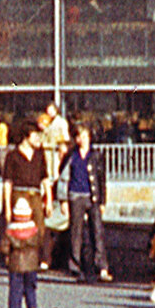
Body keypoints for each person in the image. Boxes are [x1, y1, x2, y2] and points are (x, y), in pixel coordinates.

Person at [61, 119, 111, 281]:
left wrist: (102, 201)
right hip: (76, 195)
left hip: (92, 196)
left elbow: (101, 179)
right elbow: (63, 177)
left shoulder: (95, 156)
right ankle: (75, 266)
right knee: (76, 232)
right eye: (78, 136)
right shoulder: (72, 155)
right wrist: (63, 200)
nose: (81, 139)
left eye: (83, 135)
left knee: (97, 231)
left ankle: (101, 266)